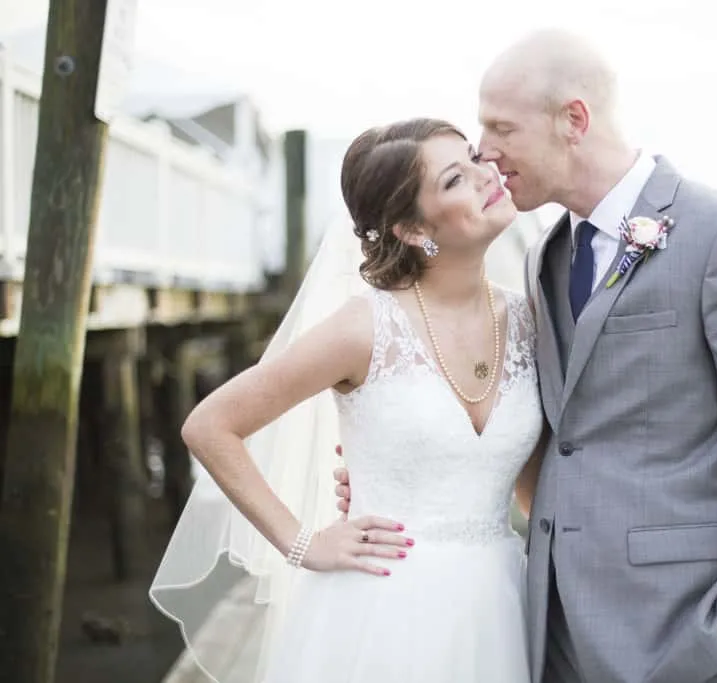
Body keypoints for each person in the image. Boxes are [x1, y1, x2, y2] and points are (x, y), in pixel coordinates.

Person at [336, 30, 717, 683]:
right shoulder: (547, 255)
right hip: (554, 631)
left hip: (688, 636)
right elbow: (562, 433)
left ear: (573, 120)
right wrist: (411, 464)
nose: (485, 151)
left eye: (500, 128)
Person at [150, 118, 544, 683]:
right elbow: (211, 425)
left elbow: (529, 486)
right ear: (412, 229)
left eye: (478, 159)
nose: (489, 176)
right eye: (457, 178)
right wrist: (302, 543)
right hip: (381, 611)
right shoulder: (365, 328)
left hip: (500, 605)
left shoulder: (529, 319)